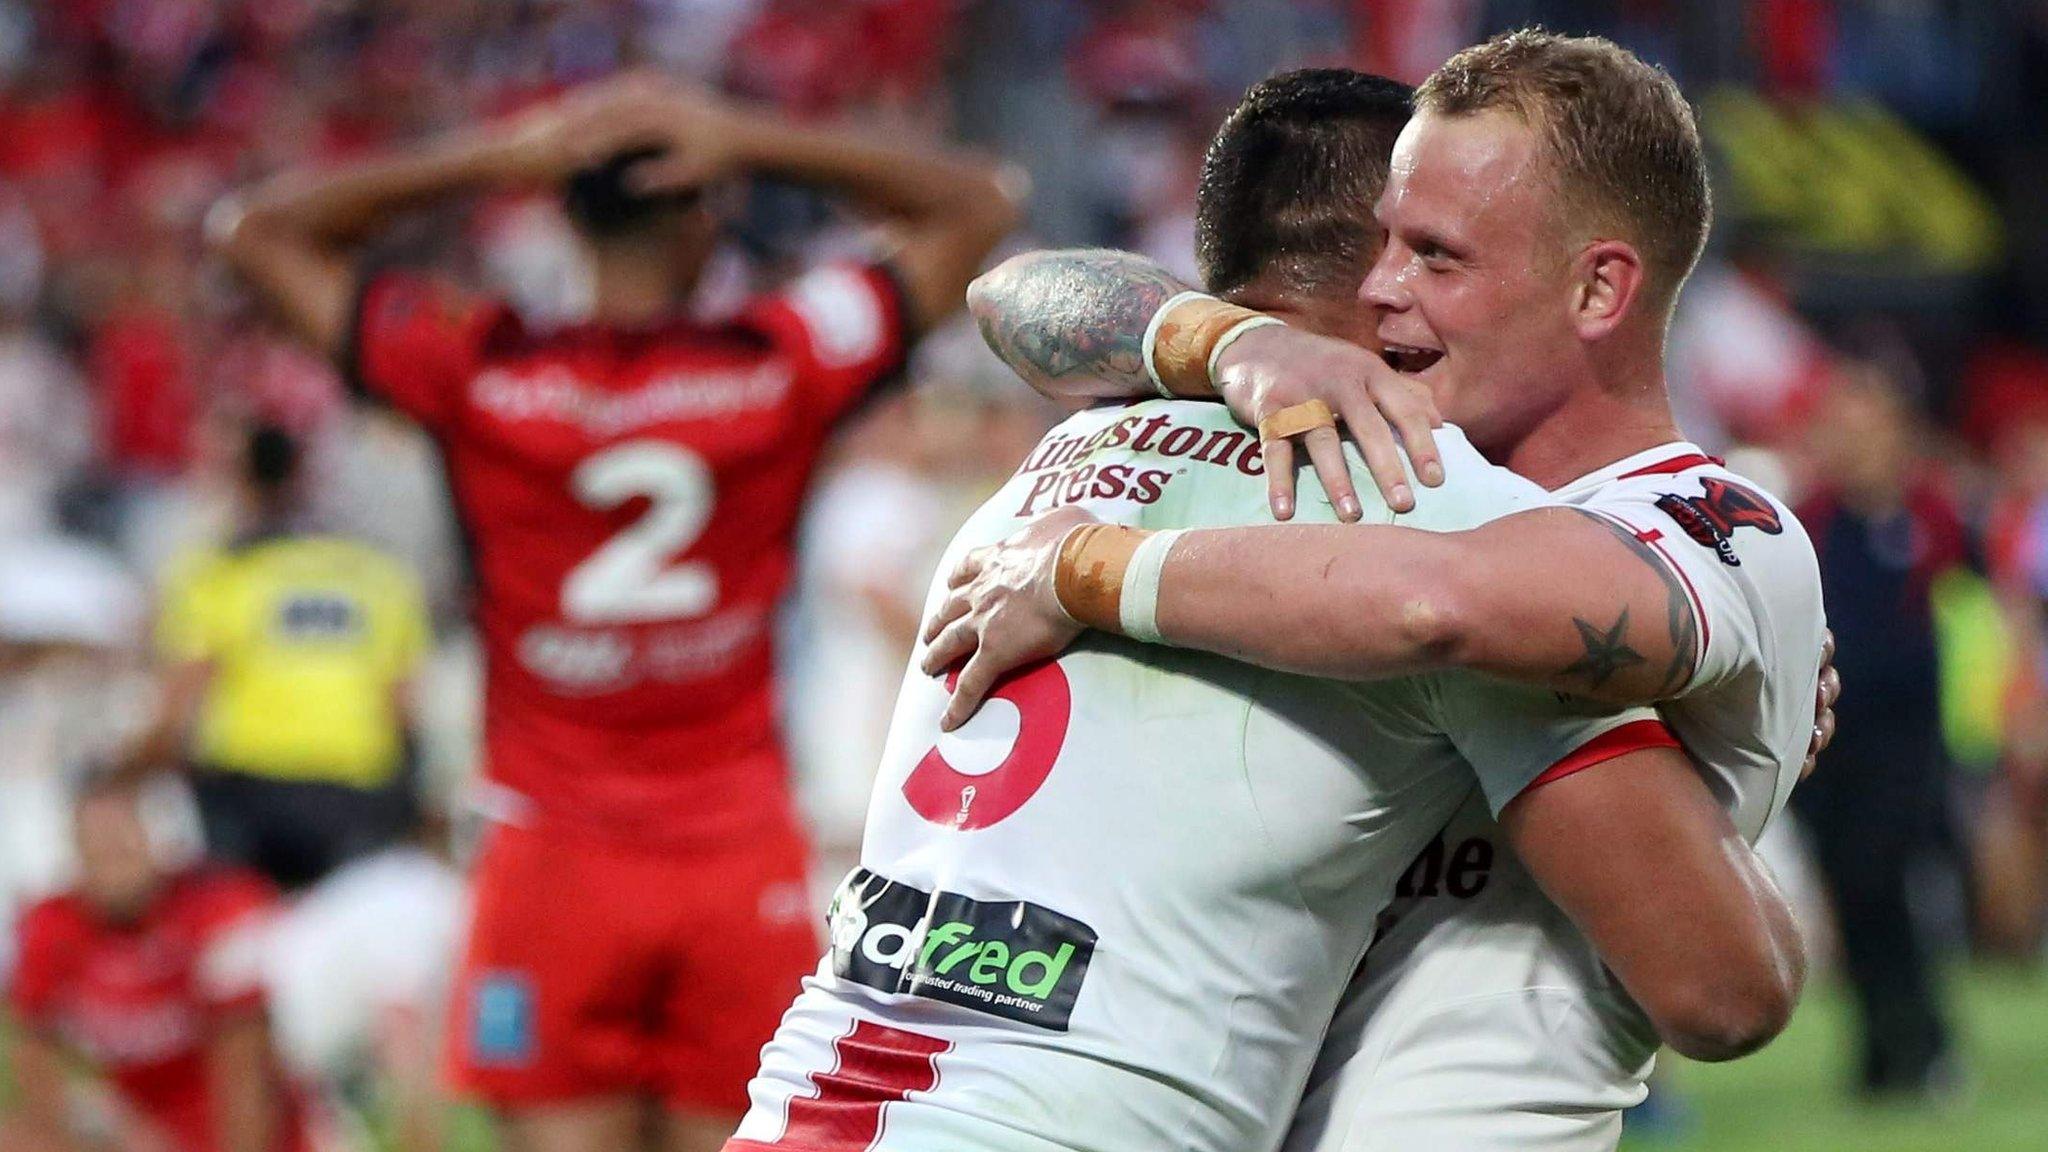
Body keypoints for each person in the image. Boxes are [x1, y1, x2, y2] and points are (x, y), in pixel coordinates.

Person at [933, 40, 1829, 1151]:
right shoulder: (1367, 489)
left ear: (1597, 287)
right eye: (1384, 242)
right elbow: (1007, 294)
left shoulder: (1710, 530)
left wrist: (1089, 569)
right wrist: (1230, 339)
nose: (1377, 288)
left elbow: (1438, 605)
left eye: (1435, 256)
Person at [210, 75, 1021, 1152]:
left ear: (561, 212)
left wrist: (492, 155)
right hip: (730, 848)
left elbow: (255, 230)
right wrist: (745, 132)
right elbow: (978, 204)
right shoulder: (778, 363)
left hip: (551, 859)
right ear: (700, 217)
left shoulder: (478, 367)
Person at [724, 387, 1799, 1152]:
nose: (1402, 291)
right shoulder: (1429, 523)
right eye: (1403, 250)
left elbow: (1013, 283)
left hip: (799, 1102)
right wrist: (1733, 736)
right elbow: (1721, 986)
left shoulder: (1062, 447)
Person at [128, 422, 431, 893]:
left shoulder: (218, 575)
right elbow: (407, 710)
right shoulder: (378, 575)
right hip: (358, 796)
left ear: (239, 484)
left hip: (252, 796)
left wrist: (126, 769)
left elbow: (179, 707)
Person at [1795, 359, 1965, 1099]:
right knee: (1851, 892)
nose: (1850, 441)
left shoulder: (1935, 517)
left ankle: (1923, 1044)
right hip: (1832, 745)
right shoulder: (1809, 524)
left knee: (1889, 884)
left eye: (1864, 426)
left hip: (1911, 743)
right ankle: (1877, 1053)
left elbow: (1982, 613)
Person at [3, 773, 314, 1152]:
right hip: (140, 1125)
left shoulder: (217, 912)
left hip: (230, 1127)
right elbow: (35, 1060)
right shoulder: (53, 926)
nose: (109, 863)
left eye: (121, 844)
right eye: (94, 847)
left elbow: (245, 1075)